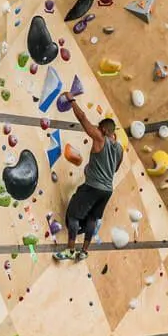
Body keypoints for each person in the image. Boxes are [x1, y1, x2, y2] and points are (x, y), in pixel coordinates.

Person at [55, 96, 122, 261]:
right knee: (92, 218)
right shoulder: (120, 149)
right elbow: (115, 169)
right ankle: (84, 251)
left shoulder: (100, 138)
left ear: (104, 130)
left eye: (99, 128)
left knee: (73, 215)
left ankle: (70, 250)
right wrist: (96, 168)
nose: (97, 130)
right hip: (107, 191)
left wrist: (71, 100)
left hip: (92, 187)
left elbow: (82, 118)